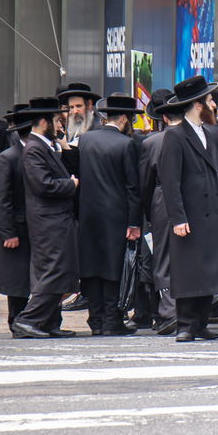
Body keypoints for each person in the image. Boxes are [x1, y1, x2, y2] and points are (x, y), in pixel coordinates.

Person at [157, 76, 218, 342]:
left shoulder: (208, 134)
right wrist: (177, 217)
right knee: (188, 271)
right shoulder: (175, 136)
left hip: (211, 213)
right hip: (189, 215)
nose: (214, 104)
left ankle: (201, 323)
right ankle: (186, 324)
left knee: (207, 271)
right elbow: (170, 181)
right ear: (198, 104)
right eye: (210, 100)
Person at [71, 94, 142, 335]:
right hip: (116, 214)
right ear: (123, 118)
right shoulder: (126, 144)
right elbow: (133, 187)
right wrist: (134, 221)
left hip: (88, 213)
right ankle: (112, 320)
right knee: (113, 268)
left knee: (91, 267)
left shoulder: (85, 140)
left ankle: (96, 320)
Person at [9, 98, 81, 339]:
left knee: (58, 271)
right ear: (43, 122)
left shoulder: (46, 145)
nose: (60, 124)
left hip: (56, 220)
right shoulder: (34, 148)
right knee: (53, 271)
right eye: (56, 120)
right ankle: (28, 319)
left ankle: (50, 322)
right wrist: (69, 184)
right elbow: (43, 185)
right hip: (48, 221)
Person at [138, 89, 179, 336]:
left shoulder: (152, 142)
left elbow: (145, 182)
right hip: (190, 200)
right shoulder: (196, 136)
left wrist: (147, 213)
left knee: (162, 256)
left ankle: (169, 311)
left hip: (162, 200)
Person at [0, 105, 33, 333]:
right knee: (17, 281)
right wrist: (8, 232)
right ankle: (16, 322)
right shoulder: (9, 158)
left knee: (28, 278)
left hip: (33, 226)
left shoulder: (33, 152)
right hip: (16, 227)